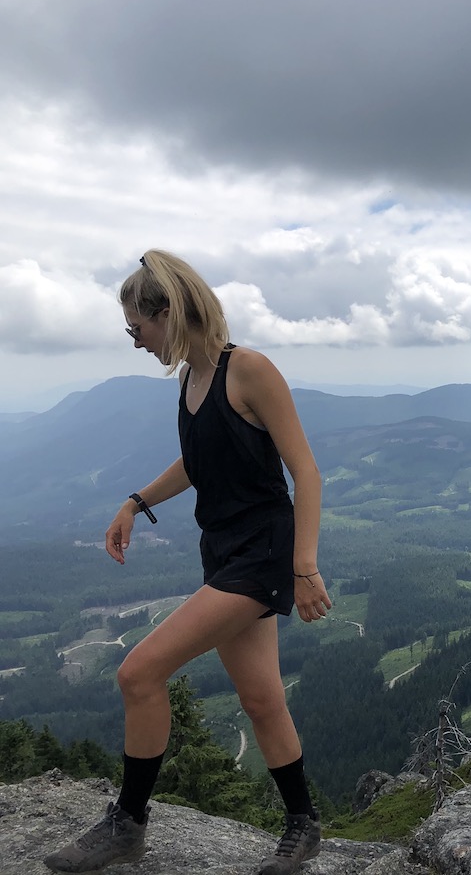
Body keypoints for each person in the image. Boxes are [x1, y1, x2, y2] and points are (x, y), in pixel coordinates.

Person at [45, 250, 334, 875]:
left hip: (262, 554)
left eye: (136, 328)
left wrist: (303, 568)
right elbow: (197, 462)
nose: (136, 341)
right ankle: (304, 824)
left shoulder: (249, 368)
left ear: (168, 311)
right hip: (223, 550)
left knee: (138, 674)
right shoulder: (192, 380)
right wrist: (136, 501)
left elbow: (305, 471)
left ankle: (128, 824)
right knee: (261, 701)